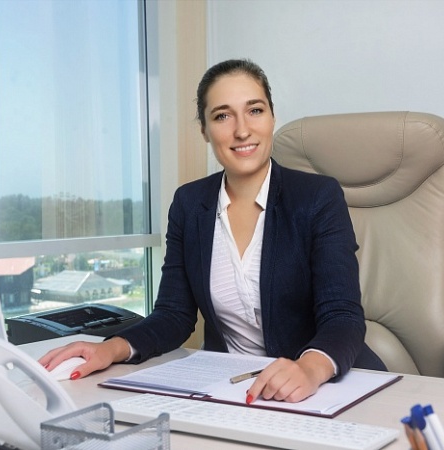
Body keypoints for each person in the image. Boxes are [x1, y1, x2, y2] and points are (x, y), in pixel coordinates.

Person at [39, 58, 386, 404]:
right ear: (204, 130)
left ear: (272, 118)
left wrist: (309, 369)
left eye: (255, 110)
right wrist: (110, 349)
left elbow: (343, 317)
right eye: (222, 116)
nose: (242, 130)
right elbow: (173, 315)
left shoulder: (317, 197)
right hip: (237, 390)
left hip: (327, 387)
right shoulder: (189, 204)